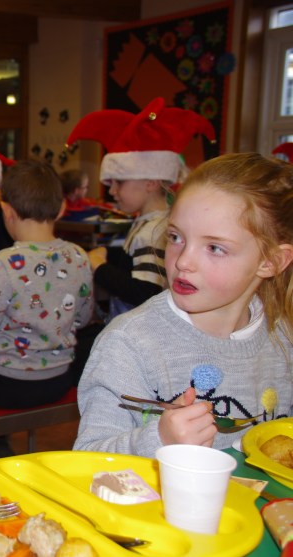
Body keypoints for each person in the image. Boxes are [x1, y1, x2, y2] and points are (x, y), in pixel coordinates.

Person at [74, 152, 293, 458]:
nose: (183, 261)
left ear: (271, 261)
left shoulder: (283, 338)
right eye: (176, 237)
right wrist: (159, 439)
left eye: (214, 247)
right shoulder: (128, 343)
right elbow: (88, 458)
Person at [66, 97, 216, 321]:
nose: (112, 191)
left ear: (151, 183)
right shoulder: (150, 223)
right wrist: (109, 253)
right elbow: (135, 261)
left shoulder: (153, 231)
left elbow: (146, 292)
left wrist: (100, 268)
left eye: (119, 182)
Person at [0, 159, 94, 410]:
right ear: (61, 209)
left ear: (6, 211)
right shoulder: (79, 256)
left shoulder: (0, 263)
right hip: (59, 379)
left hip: (4, 383)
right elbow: (83, 318)